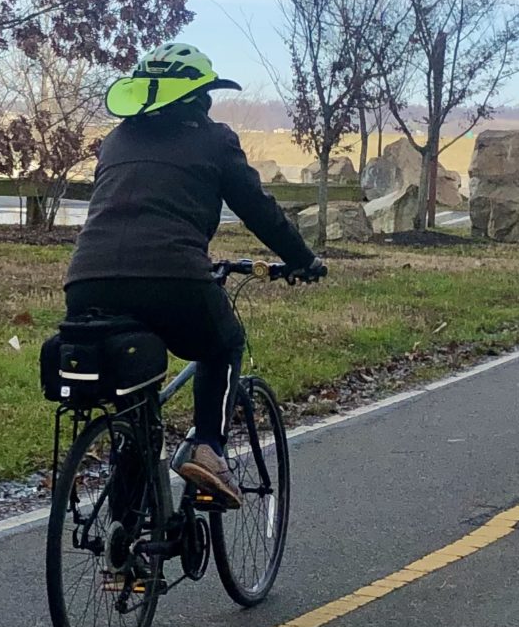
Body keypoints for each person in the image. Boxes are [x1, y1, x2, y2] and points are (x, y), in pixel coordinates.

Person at [64, 42, 324, 504]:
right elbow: (259, 211)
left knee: (135, 392)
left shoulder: (115, 140)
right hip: (174, 278)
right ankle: (208, 447)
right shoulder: (214, 139)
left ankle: (130, 550)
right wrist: (302, 259)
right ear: (195, 98)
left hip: (87, 282)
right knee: (222, 343)